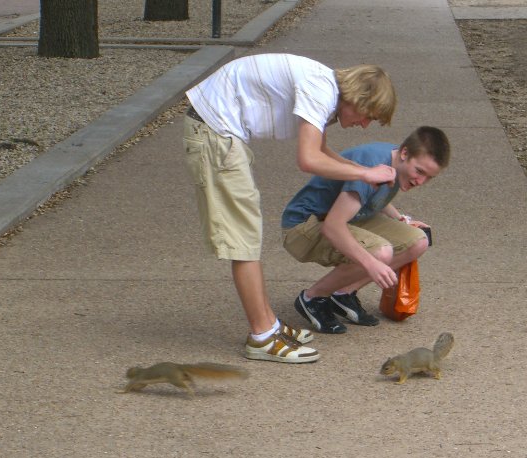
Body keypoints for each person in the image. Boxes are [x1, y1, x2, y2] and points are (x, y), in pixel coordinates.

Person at [183, 53, 397, 363]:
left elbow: (321, 149)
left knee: (249, 236)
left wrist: (361, 171)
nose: (364, 125)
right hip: (215, 132)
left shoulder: (325, 88)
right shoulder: (321, 90)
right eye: (368, 116)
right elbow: (308, 159)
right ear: (357, 98)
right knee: (243, 240)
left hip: (219, 131)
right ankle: (262, 336)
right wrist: (365, 174)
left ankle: (270, 325)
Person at [281, 126, 451, 333]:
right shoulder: (373, 163)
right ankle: (313, 298)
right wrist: (371, 264)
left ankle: (343, 294)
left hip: (343, 216)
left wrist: (401, 220)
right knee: (380, 252)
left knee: (418, 241)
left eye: (429, 177)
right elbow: (332, 227)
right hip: (304, 228)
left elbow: (373, 198)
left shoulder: (395, 161)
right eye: (420, 171)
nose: (421, 181)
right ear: (405, 153)